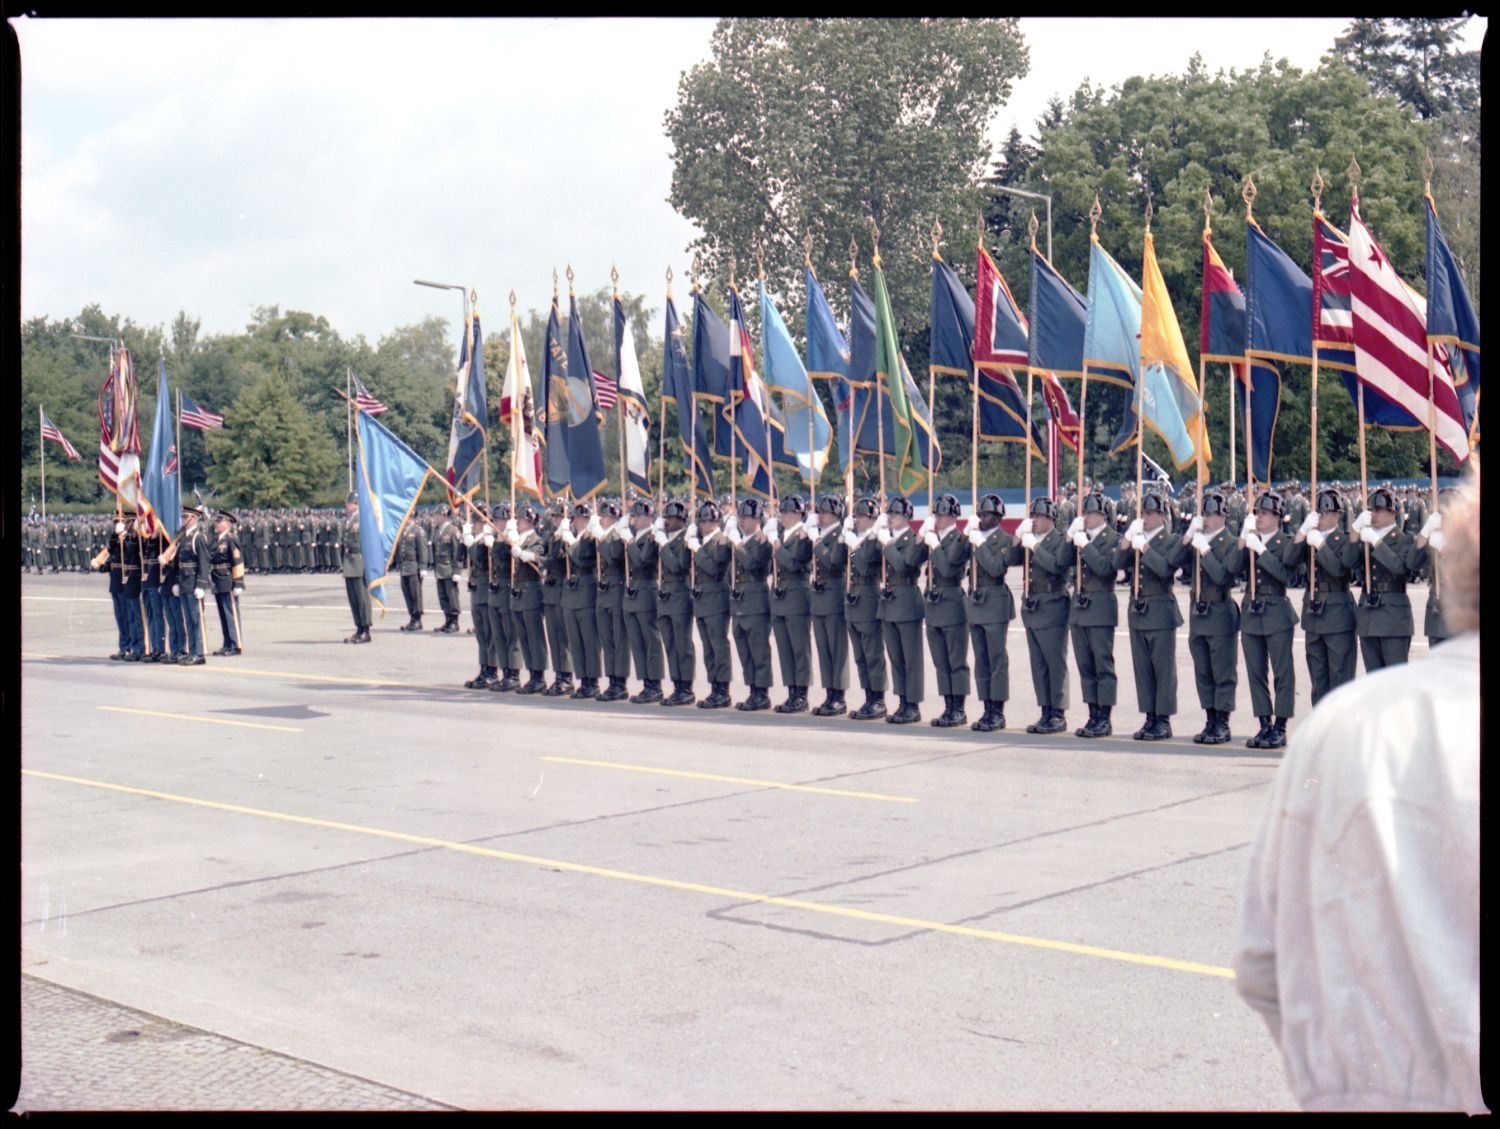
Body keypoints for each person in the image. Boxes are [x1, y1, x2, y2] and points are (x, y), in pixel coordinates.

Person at [1233, 471, 1482, 1113]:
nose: (1372, 510)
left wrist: (1339, 1082)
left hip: (1383, 1091)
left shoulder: (1350, 730)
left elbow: (1265, 962)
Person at [1114, 492, 1185, 740]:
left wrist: (1144, 547)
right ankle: (1150, 717)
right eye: (1142, 512)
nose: (1144, 517)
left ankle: (1163, 719)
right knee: (1142, 668)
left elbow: (1166, 570)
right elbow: (1116, 564)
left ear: (1163, 515)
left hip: (1160, 609)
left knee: (1162, 668)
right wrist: (1126, 540)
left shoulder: (1171, 540)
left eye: (1149, 513)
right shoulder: (1136, 537)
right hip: (1138, 610)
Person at [1181, 491, 1244, 744]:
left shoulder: (1229, 542)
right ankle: (1209, 719)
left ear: (1223, 517)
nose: (1206, 519)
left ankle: (1222, 722)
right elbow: (1173, 560)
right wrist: (1187, 536)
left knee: (1223, 671)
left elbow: (1223, 577)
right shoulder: (1197, 540)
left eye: (1210, 514)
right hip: (1198, 612)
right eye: (1203, 514)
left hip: (1219, 611)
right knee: (1203, 671)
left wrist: (1205, 552)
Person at [1294, 488, 1358, 705]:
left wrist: (1320, 545)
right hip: (1313, 614)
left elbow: (1340, 570)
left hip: (1337, 614)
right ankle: (1321, 727)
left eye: (1325, 511)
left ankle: (1341, 731)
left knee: (1340, 677)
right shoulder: (1309, 537)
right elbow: (1288, 559)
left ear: (1337, 515)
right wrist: (1302, 532)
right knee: (1318, 678)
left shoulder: (1345, 540)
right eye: (1318, 511)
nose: (1320, 516)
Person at [1067, 492, 1120, 738]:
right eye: (1084, 512)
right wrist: (1070, 538)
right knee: (1085, 666)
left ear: (1103, 515)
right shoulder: (1080, 538)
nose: (1086, 517)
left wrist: (1085, 545)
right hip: (1079, 609)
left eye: (1090, 512)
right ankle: (1092, 714)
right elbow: (1062, 562)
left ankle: (1105, 718)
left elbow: (1105, 568)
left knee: (1102, 665)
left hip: (1100, 607)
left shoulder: (1113, 539)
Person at [1016, 498, 1071, 735]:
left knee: (1054, 662)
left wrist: (1035, 546)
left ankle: (1058, 712)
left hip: (1053, 605)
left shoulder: (1060, 540)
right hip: (1033, 607)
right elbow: (1008, 560)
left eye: (1038, 517)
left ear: (1050, 519)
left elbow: (1057, 565)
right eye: (1032, 517)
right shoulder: (1030, 539)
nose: (1034, 521)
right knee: (1039, 664)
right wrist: (1018, 537)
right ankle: (1045, 709)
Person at [1352, 487, 1417, 672]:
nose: (1374, 514)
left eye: (1378, 509)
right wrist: (1355, 532)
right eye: (1372, 509)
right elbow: (1347, 562)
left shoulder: (1405, 539)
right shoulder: (1365, 539)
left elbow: (1400, 568)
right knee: (1374, 682)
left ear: (1393, 512)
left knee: (1394, 680)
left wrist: (1376, 541)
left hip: (1393, 618)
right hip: (1368, 615)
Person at [965, 494, 1015, 733]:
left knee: (997, 661)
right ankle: (986, 708)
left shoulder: (1004, 540)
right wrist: (965, 536)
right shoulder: (973, 538)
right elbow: (951, 559)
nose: (981, 518)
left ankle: (998, 711)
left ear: (997, 517)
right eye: (980, 514)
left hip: (994, 603)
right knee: (981, 662)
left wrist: (980, 544)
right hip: (975, 604)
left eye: (986, 515)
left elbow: (996, 568)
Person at [921, 494, 971, 729]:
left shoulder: (959, 540)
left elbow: (948, 568)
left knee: (955, 661)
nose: (938, 519)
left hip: (952, 603)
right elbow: (909, 559)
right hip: (933, 605)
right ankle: (948, 706)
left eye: (942, 514)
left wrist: (934, 544)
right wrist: (921, 536)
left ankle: (959, 709)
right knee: (941, 661)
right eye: (936, 514)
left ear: (953, 517)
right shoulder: (932, 538)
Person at [876, 495, 928, 725]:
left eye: (894, 514)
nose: (891, 518)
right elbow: (856, 559)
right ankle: (902, 700)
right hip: (887, 603)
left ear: (906, 517)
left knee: (911, 658)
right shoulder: (883, 538)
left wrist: (887, 544)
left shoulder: (913, 540)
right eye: (889, 514)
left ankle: (913, 705)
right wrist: (860, 541)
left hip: (906, 601)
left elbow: (905, 566)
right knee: (896, 657)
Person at [843, 497, 888, 721]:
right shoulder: (858, 541)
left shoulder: (875, 541)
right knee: (860, 656)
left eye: (862, 516)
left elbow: (862, 564)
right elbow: (849, 559)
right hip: (854, 602)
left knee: (872, 654)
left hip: (869, 599)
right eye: (856, 515)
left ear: (872, 519)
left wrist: (855, 543)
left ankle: (878, 699)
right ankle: (868, 696)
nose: (858, 520)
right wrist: (851, 542)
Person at [768, 495, 814, 714]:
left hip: (797, 594)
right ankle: (791, 691)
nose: (784, 516)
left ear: (799, 514)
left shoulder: (803, 536)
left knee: (799, 648)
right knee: (785, 649)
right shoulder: (779, 535)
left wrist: (777, 547)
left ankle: (802, 695)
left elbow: (796, 564)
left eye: (789, 512)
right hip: (779, 596)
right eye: (782, 512)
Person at [728, 497, 774, 712]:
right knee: (744, 650)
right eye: (741, 517)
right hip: (738, 603)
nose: (742, 521)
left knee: (758, 650)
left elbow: (754, 565)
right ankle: (752, 689)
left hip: (755, 600)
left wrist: (737, 544)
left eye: (747, 517)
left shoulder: (762, 542)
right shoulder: (739, 543)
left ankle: (762, 693)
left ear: (757, 519)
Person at [807, 496, 850, 717]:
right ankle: (829, 692)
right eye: (819, 511)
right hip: (819, 598)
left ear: (835, 514)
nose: (820, 515)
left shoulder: (839, 535)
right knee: (824, 650)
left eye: (824, 511)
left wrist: (816, 542)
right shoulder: (821, 534)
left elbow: (833, 562)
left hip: (834, 595)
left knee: (837, 648)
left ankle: (839, 696)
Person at [689, 499, 733, 710]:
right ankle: (714, 686)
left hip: (716, 601)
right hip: (702, 601)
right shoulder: (705, 542)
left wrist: (697, 550)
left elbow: (714, 569)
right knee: (708, 648)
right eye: (703, 521)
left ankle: (723, 690)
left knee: (718, 646)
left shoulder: (721, 542)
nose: (706, 525)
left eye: (710, 521)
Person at [654, 499, 697, 707]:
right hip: (665, 595)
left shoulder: (685, 539)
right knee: (670, 645)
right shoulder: (664, 538)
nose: (668, 521)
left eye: (671, 517)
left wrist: (663, 545)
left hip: (680, 593)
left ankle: (686, 688)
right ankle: (676, 684)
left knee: (682, 644)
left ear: (681, 520)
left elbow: (678, 565)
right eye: (666, 517)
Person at [558, 501, 602, 700]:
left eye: (581, 518)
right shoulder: (572, 537)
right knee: (575, 640)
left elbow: (583, 558)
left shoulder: (591, 537)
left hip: (586, 590)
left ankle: (592, 681)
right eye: (575, 518)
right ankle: (582, 678)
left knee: (589, 639)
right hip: (571, 594)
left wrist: (572, 543)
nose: (577, 521)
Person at [622, 499, 665, 704]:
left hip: (646, 590)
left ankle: (654, 684)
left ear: (650, 517)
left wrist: (630, 543)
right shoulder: (634, 536)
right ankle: (646, 682)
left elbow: (642, 561)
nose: (636, 519)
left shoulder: (651, 537)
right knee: (637, 642)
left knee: (650, 641)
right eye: (634, 515)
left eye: (640, 515)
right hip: (632, 594)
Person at [507, 502, 549, 694]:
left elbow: (540, 558)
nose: (518, 522)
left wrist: (525, 554)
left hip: (532, 592)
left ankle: (539, 676)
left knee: (534, 636)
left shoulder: (536, 540)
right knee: (524, 637)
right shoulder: (516, 540)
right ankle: (531, 673)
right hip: (518, 593)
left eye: (521, 519)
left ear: (530, 522)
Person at [591, 501, 630, 702]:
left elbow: (614, 556)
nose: (602, 519)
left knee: (618, 639)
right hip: (603, 592)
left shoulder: (617, 536)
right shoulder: (604, 535)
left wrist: (601, 537)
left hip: (616, 589)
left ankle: (620, 683)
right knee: (607, 640)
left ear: (612, 518)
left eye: (604, 516)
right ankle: (612, 679)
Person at [539, 500, 573, 696]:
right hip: (550, 591)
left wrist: (537, 559)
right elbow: (542, 551)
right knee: (553, 637)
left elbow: (559, 562)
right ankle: (559, 673)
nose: (556, 519)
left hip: (562, 590)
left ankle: (567, 677)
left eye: (560, 516)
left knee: (563, 637)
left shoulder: (569, 537)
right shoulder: (552, 536)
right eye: (554, 516)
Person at [172, 505, 210, 664]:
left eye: (186, 517)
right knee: (188, 619)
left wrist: (201, 585)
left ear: (194, 518)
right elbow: (177, 562)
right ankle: (192, 651)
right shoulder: (184, 537)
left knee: (195, 619)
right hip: (184, 583)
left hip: (194, 583)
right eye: (183, 517)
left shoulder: (198, 537)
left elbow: (204, 563)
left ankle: (199, 653)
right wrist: (176, 582)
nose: (183, 520)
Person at [208, 510, 245, 656]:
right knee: (223, 613)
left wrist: (238, 583)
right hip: (217, 579)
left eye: (219, 521)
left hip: (228, 579)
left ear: (227, 524)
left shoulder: (231, 539)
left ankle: (236, 645)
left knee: (231, 613)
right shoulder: (217, 540)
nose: (216, 524)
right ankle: (227, 643)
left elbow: (238, 562)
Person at [339, 492, 371, 645]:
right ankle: (359, 628)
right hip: (349, 563)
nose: (347, 505)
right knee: (353, 599)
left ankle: (366, 630)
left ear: (356, 504)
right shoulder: (348, 521)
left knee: (362, 599)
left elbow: (368, 543)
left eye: (349, 503)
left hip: (359, 562)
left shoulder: (363, 520)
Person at [139, 516, 169, 661]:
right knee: (150, 616)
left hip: (155, 579)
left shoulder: (162, 539)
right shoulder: (143, 537)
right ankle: (153, 647)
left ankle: (160, 648)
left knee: (157, 616)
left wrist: (157, 534)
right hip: (145, 581)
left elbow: (157, 549)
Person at [431, 503, 463, 633]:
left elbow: (457, 552)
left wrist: (457, 570)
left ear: (444, 515)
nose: (436, 517)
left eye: (438, 515)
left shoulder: (453, 530)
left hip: (449, 568)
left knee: (452, 596)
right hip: (440, 569)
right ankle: (447, 619)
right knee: (442, 596)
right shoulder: (437, 530)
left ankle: (455, 622)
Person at [396, 514, 431, 632]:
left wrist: (423, 567)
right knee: (407, 593)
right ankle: (412, 617)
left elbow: (422, 549)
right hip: (404, 566)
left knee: (415, 594)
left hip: (413, 566)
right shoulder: (403, 530)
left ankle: (417, 619)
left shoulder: (418, 531)